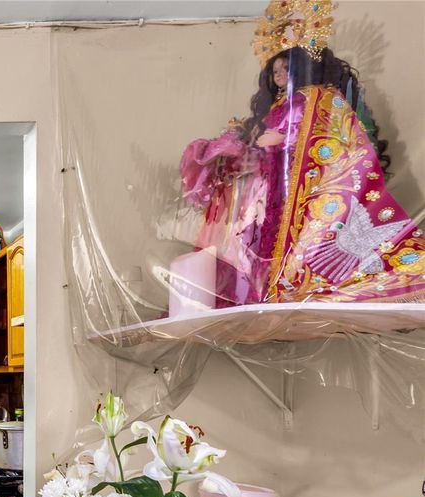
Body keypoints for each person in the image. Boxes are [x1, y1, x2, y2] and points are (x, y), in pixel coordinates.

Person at [179, 0, 424, 305]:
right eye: (275, 69)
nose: (279, 73)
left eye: (286, 67)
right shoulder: (278, 107)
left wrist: (279, 145)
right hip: (269, 192)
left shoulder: (319, 98)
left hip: (303, 189)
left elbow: (326, 142)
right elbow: (265, 147)